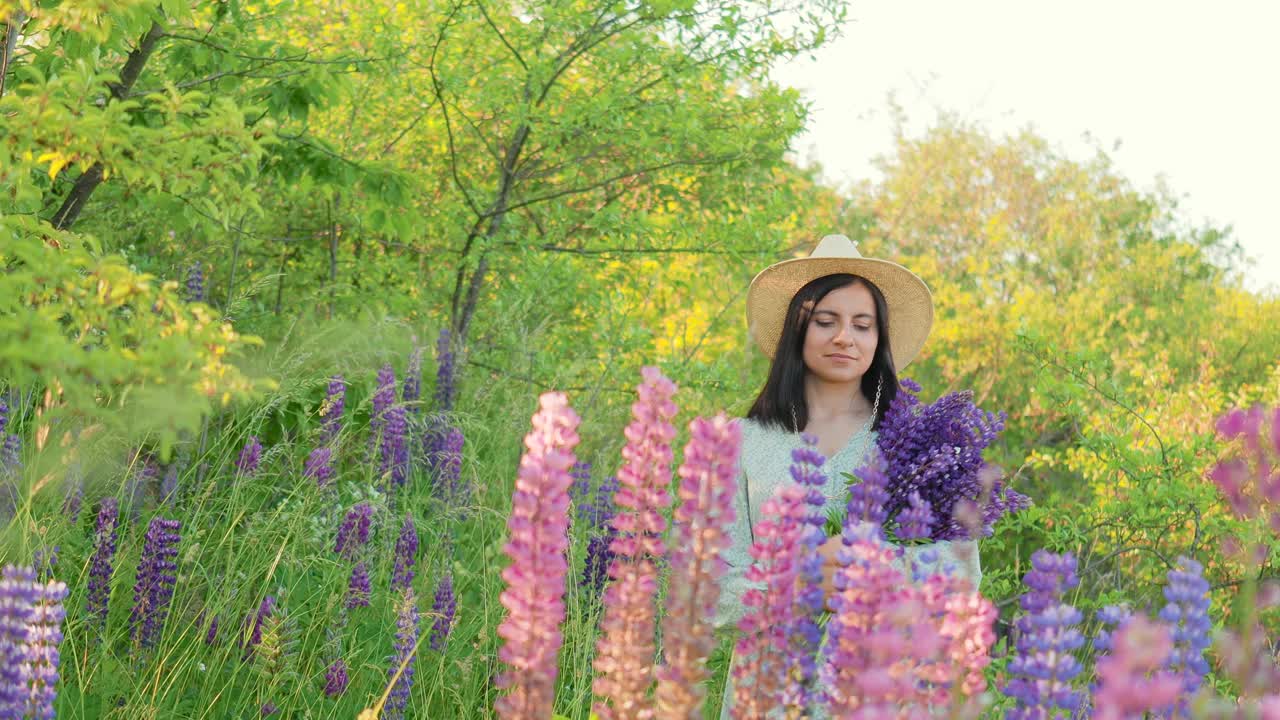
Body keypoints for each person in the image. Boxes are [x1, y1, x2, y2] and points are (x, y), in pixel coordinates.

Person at [715, 234, 981, 717]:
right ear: (798, 330)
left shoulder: (919, 442)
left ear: (878, 339)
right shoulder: (740, 441)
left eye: (863, 325)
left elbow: (964, 578)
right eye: (826, 321)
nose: (845, 337)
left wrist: (878, 573)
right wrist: (799, 582)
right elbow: (706, 592)